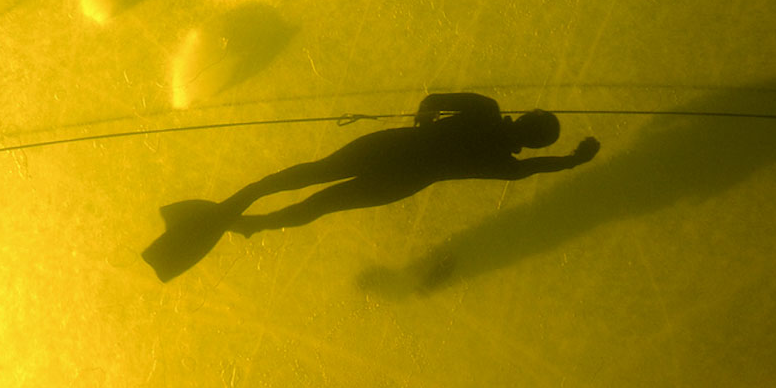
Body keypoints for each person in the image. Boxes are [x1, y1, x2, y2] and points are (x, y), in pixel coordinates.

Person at [142, 93, 599, 281]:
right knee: (312, 191)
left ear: (529, 122)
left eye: (533, 125)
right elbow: (528, 169)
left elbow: (432, 103)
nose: (526, 128)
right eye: (533, 128)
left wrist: (423, 127)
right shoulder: (499, 151)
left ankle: (230, 220)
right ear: (529, 130)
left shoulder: (490, 123)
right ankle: (236, 222)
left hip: (392, 159)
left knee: (311, 190)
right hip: (396, 170)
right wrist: (571, 161)